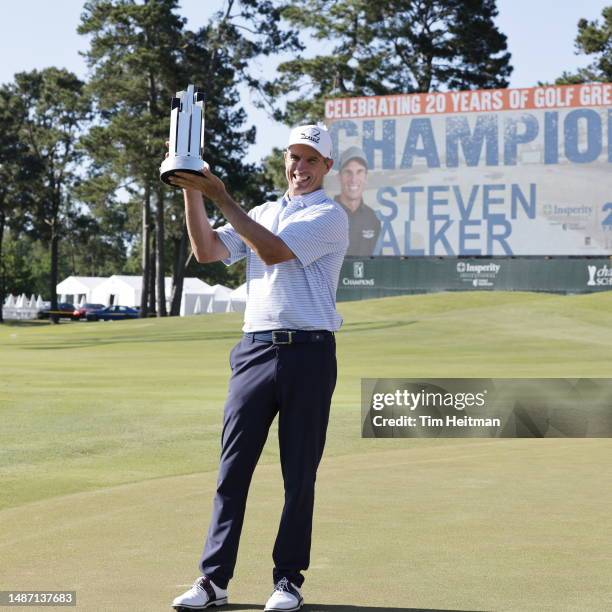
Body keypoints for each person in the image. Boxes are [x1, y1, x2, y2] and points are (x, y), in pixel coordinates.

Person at [167, 124, 348, 612]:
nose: (301, 168)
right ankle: (213, 580)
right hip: (254, 349)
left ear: (326, 167)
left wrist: (222, 195)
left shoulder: (330, 216)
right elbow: (207, 250)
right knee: (232, 471)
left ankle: (287, 580)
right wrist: (191, 190)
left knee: (298, 474)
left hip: (309, 352)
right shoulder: (265, 212)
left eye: (311, 160)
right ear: (285, 161)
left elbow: (272, 251)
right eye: (294, 157)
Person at [334, 146, 380, 257]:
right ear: (339, 177)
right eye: (348, 172)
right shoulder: (326, 215)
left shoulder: (372, 218)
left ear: (366, 177)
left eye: (359, 172)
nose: (353, 179)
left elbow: (378, 264)